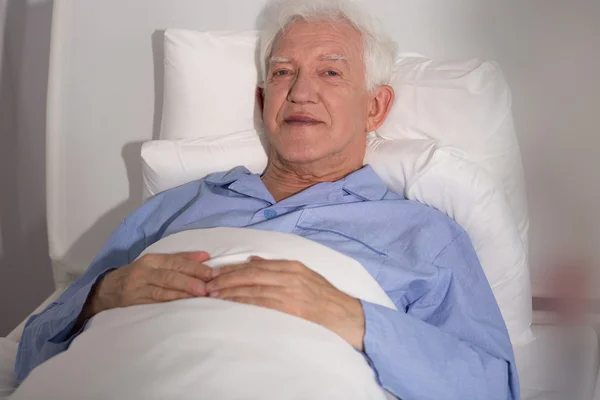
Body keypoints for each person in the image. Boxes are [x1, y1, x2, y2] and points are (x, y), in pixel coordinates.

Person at [15, 0, 519, 398]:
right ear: (262, 101)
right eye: (282, 73)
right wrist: (102, 297)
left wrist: (353, 318)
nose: (300, 92)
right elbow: (32, 349)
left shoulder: (423, 233)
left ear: (375, 106)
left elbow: (493, 387)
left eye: (331, 72)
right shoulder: (173, 209)